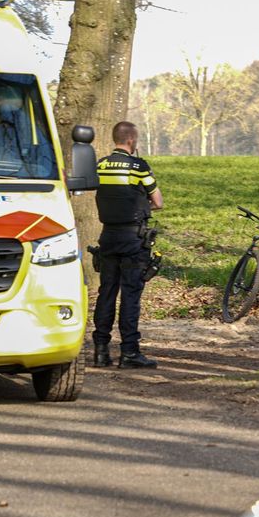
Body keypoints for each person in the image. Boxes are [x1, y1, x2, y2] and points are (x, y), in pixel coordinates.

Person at [91, 121, 163, 369]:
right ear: (131, 140)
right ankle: (129, 352)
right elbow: (158, 201)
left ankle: (100, 351)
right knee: (130, 295)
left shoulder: (100, 164)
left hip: (108, 236)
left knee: (106, 293)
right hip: (133, 238)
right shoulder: (138, 166)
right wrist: (142, 206)